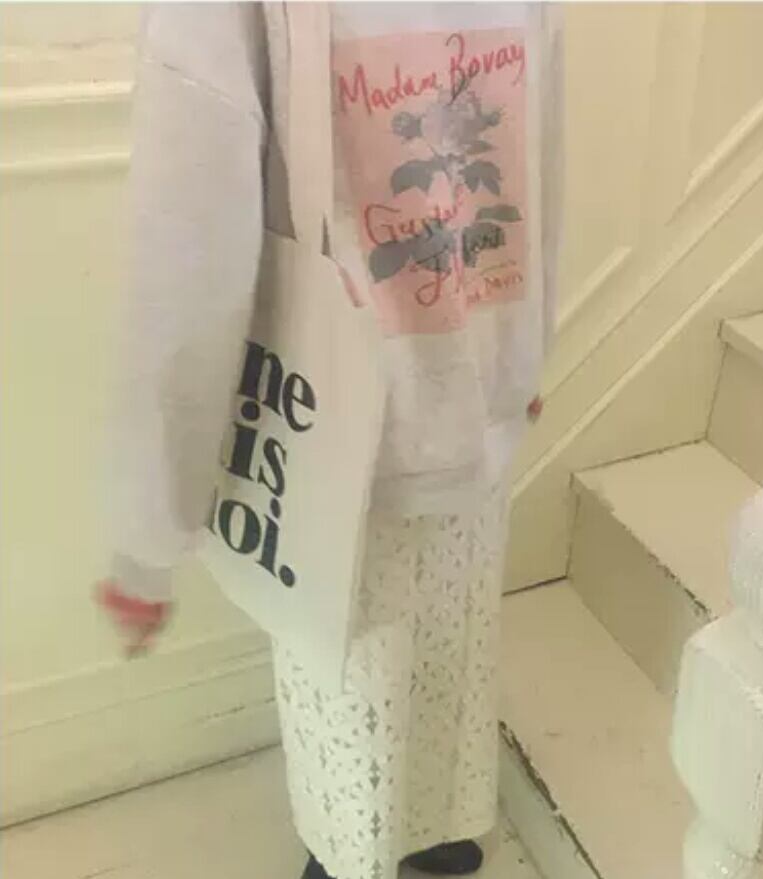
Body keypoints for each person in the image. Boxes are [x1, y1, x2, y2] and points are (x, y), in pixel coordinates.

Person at [97, 4, 563, 879]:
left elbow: (187, 264)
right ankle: (434, 829)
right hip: (465, 390)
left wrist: (148, 538)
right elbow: (540, 141)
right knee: (443, 641)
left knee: (359, 679)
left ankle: (371, 847)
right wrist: (525, 352)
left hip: (342, 430)